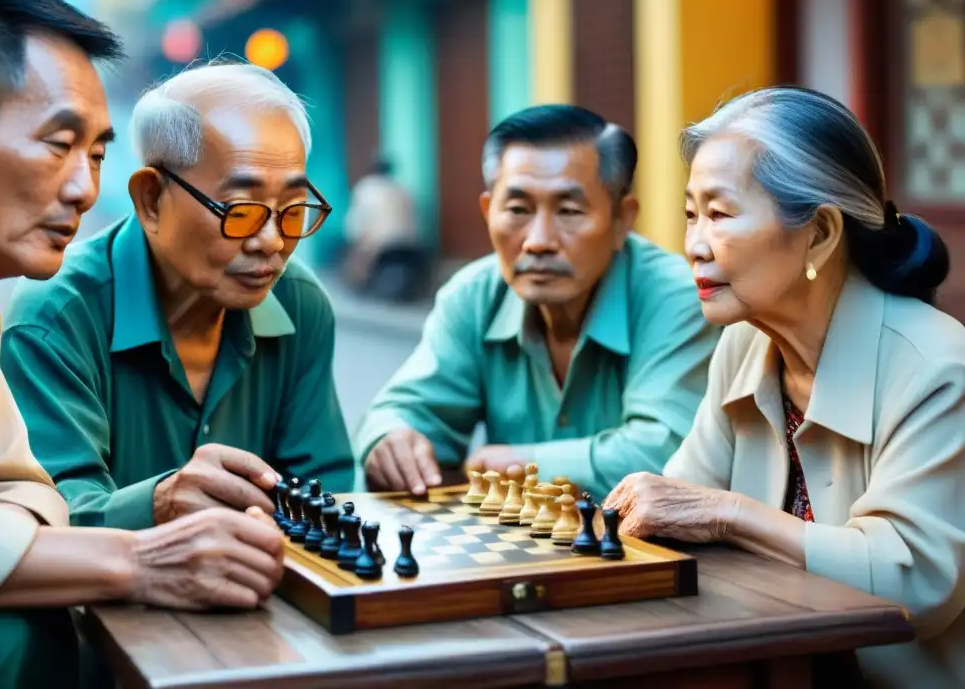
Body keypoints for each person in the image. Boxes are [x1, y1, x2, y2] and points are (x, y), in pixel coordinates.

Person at [0, 0, 285, 689]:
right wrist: (138, 557)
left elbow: (29, 498)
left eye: (96, 155)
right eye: (58, 144)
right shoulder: (54, 310)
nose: (83, 190)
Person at [602, 87, 965, 687]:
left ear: (819, 233)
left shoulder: (936, 367)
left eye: (719, 214)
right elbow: (676, 514)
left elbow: (911, 583)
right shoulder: (746, 344)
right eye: (692, 214)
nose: (692, 244)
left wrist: (728, 514)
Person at [0, 59, 356, 531]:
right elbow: (50, 516)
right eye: (240, 209)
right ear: (151, 199)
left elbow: (323, 488)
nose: (271, 241)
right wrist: (160, 502)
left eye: (292, 209)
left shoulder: (299, 304)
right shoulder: (56, 317)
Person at [355, 104, 721, 499]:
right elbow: (405, 412)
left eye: (568, 211)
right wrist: (392, 438)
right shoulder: (474, 295)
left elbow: (663, 454)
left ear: (621, 220)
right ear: (487, 211)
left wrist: (514, 464)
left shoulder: (677, 297)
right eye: (517, 209)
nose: (539, 240)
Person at [342, 155, 429, 302]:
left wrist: (357, 243)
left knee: (357, 258)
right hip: (410, 243)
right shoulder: (402, 188)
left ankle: (362, 291)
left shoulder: (366, 188)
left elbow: (356, 222)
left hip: (381, 244)